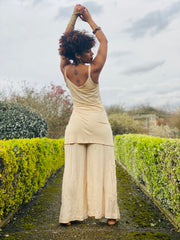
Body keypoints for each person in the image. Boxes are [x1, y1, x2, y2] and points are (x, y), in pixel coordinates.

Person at [58, 4, 120, 226]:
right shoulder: (93, 70)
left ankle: (69, 215)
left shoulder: (65, 69)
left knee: (73, 172)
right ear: (78, 52)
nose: (92, 53)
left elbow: (63, 43)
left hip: (76, 124)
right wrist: (89, 19)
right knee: (103, 170)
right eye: (87, 50)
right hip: (98, 124)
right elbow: (104, 41)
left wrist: (74, 17)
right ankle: (110, 214)